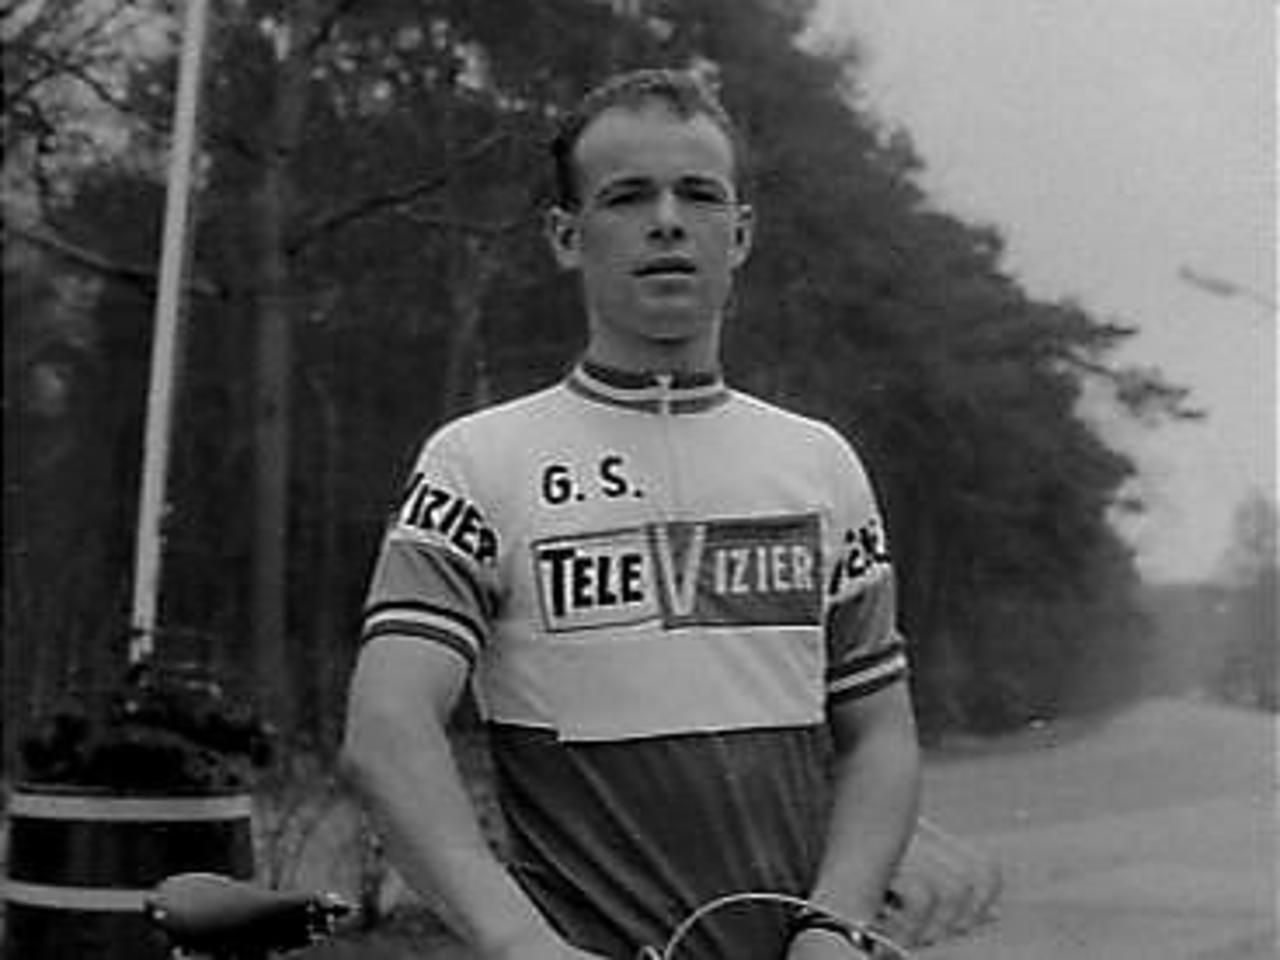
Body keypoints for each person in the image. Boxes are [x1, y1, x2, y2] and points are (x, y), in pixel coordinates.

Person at [341, 68, 921, 960]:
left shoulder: (819, 465)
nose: (667, 221)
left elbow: (880, 735)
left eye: (699, 194)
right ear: (566, 237)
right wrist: (517, 942)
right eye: (627, 196)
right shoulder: (479, 462)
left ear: (741, 233)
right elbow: (387, 729)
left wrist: (835, 924)